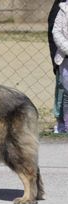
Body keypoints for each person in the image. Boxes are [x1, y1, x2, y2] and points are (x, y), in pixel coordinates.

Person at [48, 0, 66, 133]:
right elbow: (55, 32)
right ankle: (62, 124)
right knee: (63, 89)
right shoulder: (62, 8)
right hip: (64, 56)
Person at [52, 0, 68, 133]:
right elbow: (56, 32)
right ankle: (66, 126)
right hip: (66, 58)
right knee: (67, 93)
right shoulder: (63, 9)